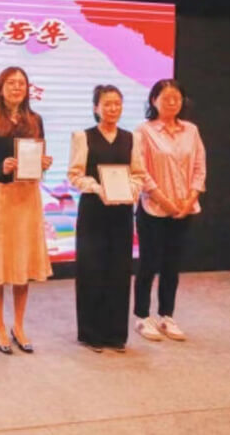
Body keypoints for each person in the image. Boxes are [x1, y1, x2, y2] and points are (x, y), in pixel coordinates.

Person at [0, 66, 53, 355]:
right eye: (11, 83)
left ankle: (19, 324)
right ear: (1, 88)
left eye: (21, 83)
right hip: (3, 195)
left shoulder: (35, 120)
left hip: (28, 195)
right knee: (0, 262)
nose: (17, 87)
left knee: (23, 261)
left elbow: (39, 155)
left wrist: (43, 163)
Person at [68, 85, 145, 353]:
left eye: (117, 104)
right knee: (92, 270)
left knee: (119, 270)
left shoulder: (132, 138)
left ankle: (115, 335)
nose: (113, 109)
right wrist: (97, 188)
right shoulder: (83, 137)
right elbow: (75, 174)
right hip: (93, 210)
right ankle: (91, 334)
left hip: (121, 212)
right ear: (96, 108)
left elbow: (139, 174)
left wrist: (131, 188)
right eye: (107, 104)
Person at [133, 79, 206, 342]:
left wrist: (190, 199)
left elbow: (199, 167)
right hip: (153, 208)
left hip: (184, 209)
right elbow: (140, 171)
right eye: (166, 98)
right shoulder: (144, 131)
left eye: (177, 98)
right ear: (154, 101)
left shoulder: (191, 130)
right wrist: (164, 201)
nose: (172, 102)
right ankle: (142, 316)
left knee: (172, 265)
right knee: (148, 263)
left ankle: (167, 315)